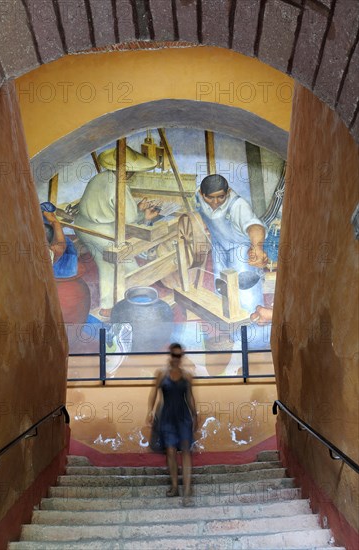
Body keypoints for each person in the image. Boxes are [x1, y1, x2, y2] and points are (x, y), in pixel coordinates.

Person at [74, 146, 158, 317]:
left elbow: (111, 207)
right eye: (132, 172)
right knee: (125, 265)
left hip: (83, 226)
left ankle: (110, 306)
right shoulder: (119, 185)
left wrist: (137, 208)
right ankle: (123, 306)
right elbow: (129, 219)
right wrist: (145, 214)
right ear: (128, 172)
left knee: (106, 263)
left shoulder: (99, 178)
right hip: (100, 232)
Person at [196, 174, 268, 314]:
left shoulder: (238, 205)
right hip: (218, 245)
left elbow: (254, 226)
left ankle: (252, 322)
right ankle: (227, 325)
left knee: (246, 291)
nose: (215, 202)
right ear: (201, 194)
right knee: (221, 288)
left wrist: (257, 248)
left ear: (228, 192)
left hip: (240, 247)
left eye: (220, 197)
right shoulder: (197, 196)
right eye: (210, 197)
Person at [147, 343, 197, 506]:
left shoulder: (187, 375)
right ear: (170, 355)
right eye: (174, 355)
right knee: (170, 451)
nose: (177, 359)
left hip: (183, 417)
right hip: (167, 417)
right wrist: (150, 410)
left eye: (179, 356)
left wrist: (195, 415)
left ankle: (187, 490)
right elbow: (154, 392)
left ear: (181, 356)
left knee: (186, 451)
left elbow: (190, 397)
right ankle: (175, 486)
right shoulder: (161, 374)